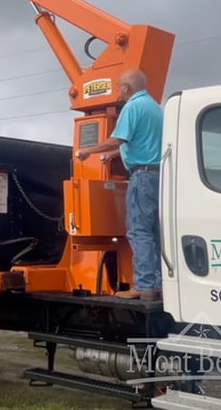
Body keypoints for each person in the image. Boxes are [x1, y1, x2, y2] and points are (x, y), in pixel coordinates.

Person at [76, 69, 163, 300]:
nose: (117, 92)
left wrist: (88, 151)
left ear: (126, 87)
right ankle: (157, 283)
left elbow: (118, 138)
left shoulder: (132, 107)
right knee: (154, 232)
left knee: (138, 231)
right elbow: (140, 143)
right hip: (159, 176)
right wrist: (115, 155)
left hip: (142, 177)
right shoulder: (155, 107)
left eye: (118, 87)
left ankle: (144, 286)